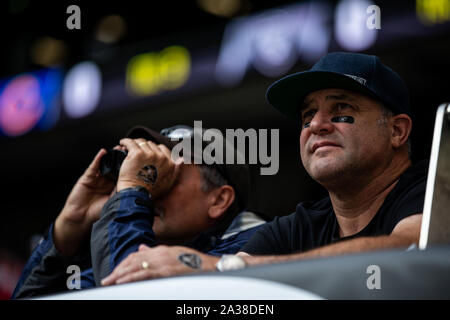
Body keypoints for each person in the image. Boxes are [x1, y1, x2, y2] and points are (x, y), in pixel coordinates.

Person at [99, 51, 426, 286]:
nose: (316, 125)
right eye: (307, 116)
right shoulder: (297, 227)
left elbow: (411, 248)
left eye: (342, 110)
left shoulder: (434, 185)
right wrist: (67, 231)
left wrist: (221, 265)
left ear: (396, 131)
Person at [12, 125, 266, 298]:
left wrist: (132, 188)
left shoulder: (255, 245)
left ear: (219, 200)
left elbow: (131, 293)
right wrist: (69, 224)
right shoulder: (119, 251)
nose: (150, 190)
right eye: (148, 172)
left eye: (167, 175)